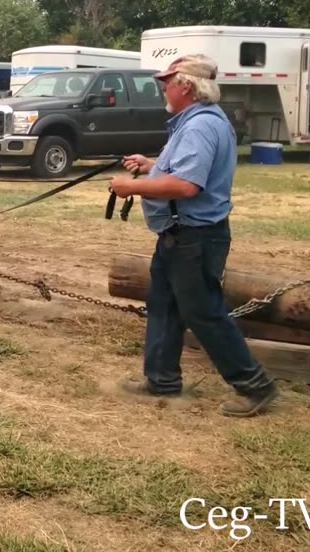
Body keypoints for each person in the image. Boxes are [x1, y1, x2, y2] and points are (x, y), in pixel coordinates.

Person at [108, 54, 279, 417]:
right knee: (164, 306)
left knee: (204, 313)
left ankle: (254, 385)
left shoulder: (200, 126)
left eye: (166, 82)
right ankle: (162, 379)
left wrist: (131, 187)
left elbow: (187, 185)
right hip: (179, 236)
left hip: (195, 238)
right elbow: (184, 168)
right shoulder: (196, 122)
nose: (162, 88)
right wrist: (151, 166)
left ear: (186, 85)